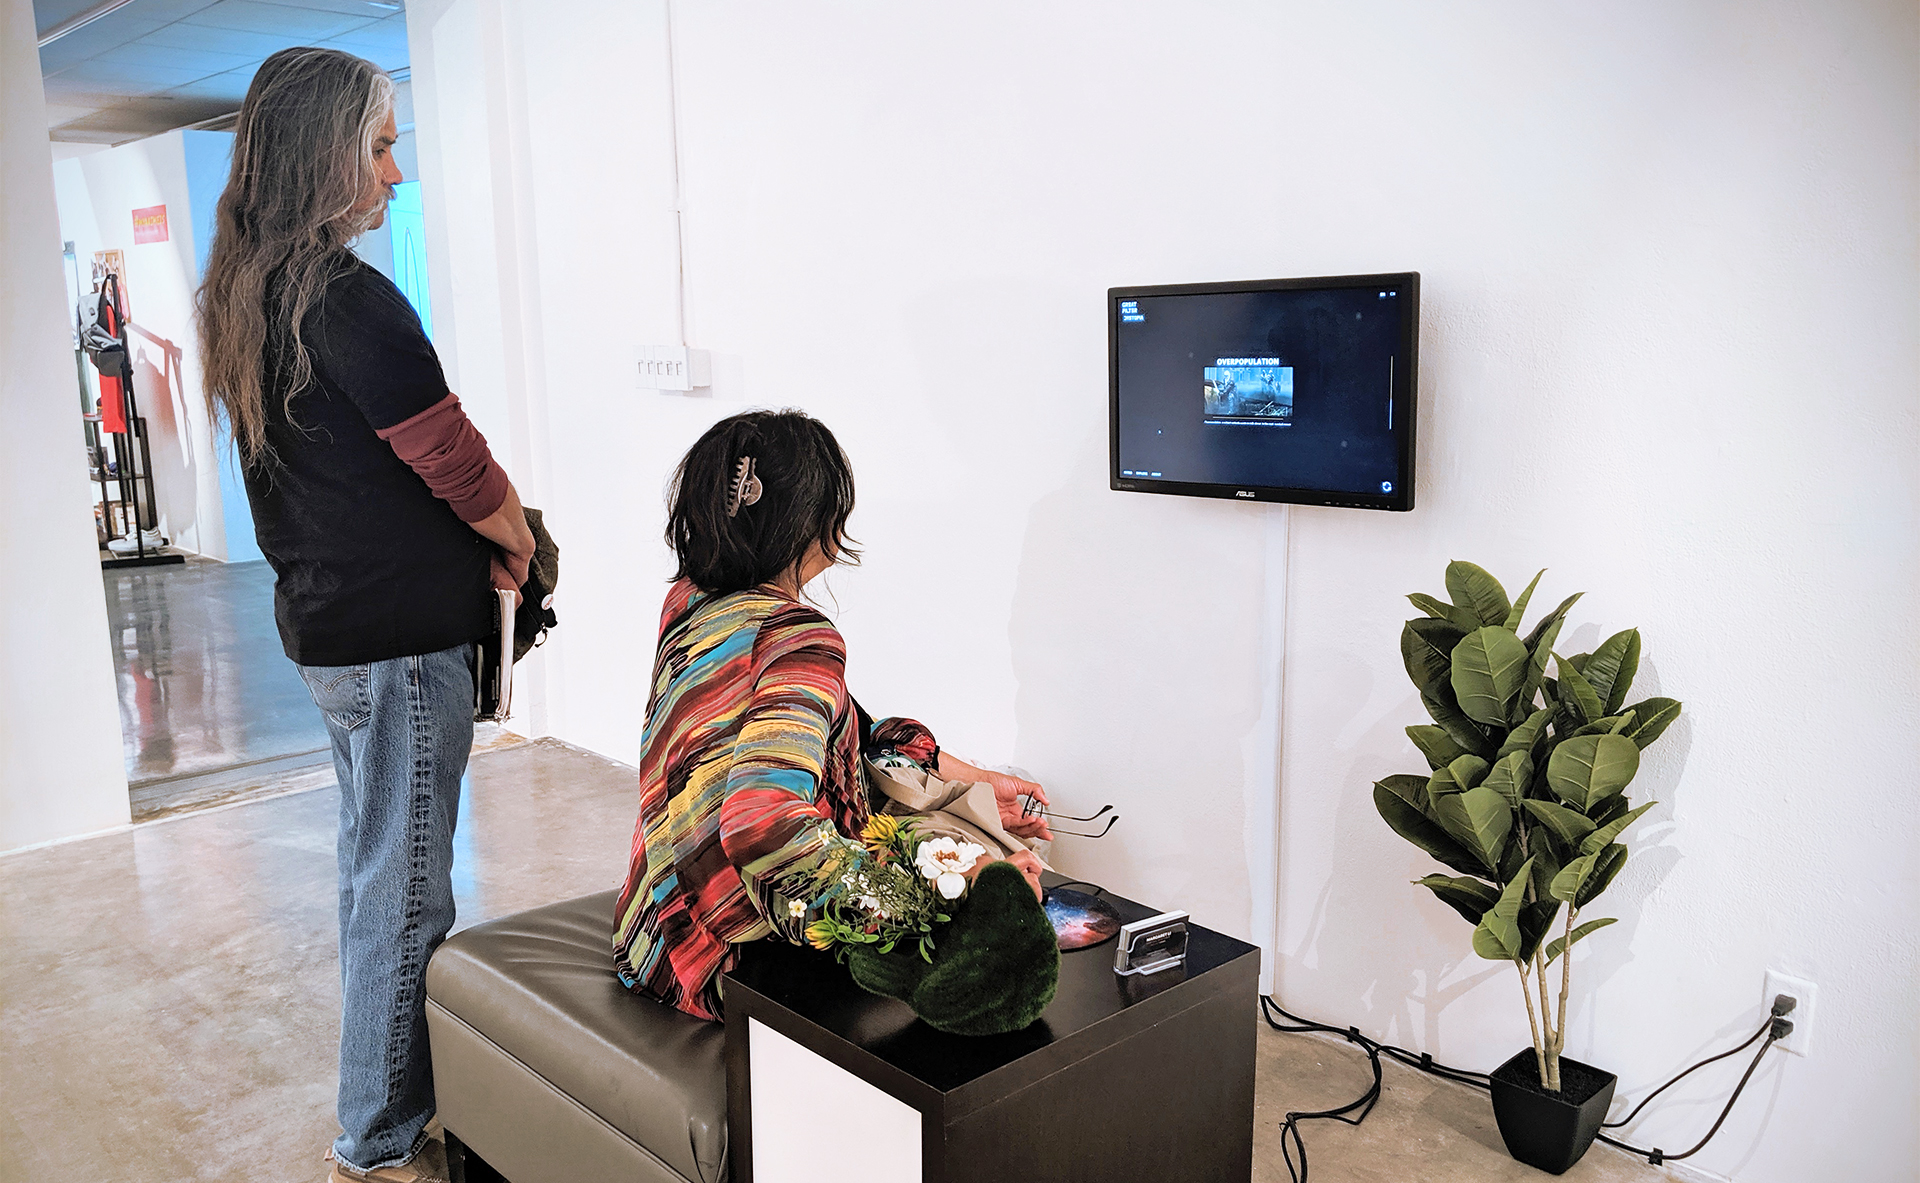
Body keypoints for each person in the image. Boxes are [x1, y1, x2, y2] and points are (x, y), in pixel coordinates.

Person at [195, 48, 533, 1183]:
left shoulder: (249, 291)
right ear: (324, 156)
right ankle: (380, 1138)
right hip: (395, 648)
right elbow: (450, 454)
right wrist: (518, 536)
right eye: (382, 147)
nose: (399, 173)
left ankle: (385, 1107)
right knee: (403, 892)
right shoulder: (344, 296)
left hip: (337, 636)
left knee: (374, 869)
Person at [614, 410, 1049, 1021]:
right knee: (1010, 945)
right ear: (811, 523)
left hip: (654, 935)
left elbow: (853, 732)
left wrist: (976, 786)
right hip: (735, 960)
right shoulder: (799, 640)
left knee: (967, 852)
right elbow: (763, 827)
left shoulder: (691, 601)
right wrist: (947, 892)